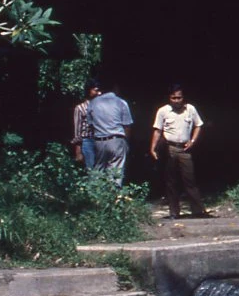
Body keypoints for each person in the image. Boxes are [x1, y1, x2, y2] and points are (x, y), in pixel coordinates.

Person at [149, 83, 210, 218]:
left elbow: (198, 125)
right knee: (171, 180)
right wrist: (153, 148)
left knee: (190, 179)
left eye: (179, 98)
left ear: (183, 98)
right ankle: (174, 212)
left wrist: (192, 141)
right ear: (169, 98)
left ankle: (198, 211)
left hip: (184, 149)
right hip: (169, 148)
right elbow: (157, 130)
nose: (176, 101)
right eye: (173, 98)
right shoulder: (163, 111)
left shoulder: (190, 109)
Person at [86, 81, 134, 183]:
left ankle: (95, 195)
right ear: (115, 88)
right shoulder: (121, 102)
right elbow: (127, 126)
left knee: (98, 171)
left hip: (99, 141)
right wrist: (126, 142)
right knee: (115, 172)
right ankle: (113, 195)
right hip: (116, 139)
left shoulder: (92, 103)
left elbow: (90, 125)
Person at [70, 81, 100, 170]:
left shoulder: (100, 107)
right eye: (96, 90)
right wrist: (78, 151)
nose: (99, 93)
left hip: (100, 141)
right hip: (87, 141)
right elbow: (77, 130)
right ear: (89, 91)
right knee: (91, 169)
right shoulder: (80, 108)